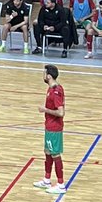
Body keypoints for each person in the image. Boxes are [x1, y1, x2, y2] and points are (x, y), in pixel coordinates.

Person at [33, 64, 66, 195]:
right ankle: (47, 179)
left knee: (55, 154)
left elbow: (61, 112)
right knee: (47, 151)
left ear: (49, 76)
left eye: (44, 73)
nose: (42, 75)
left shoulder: (56, 91)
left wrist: (45, 110)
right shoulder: (51, 89)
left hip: (54, 128)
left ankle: (61, 184)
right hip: (49, 126)